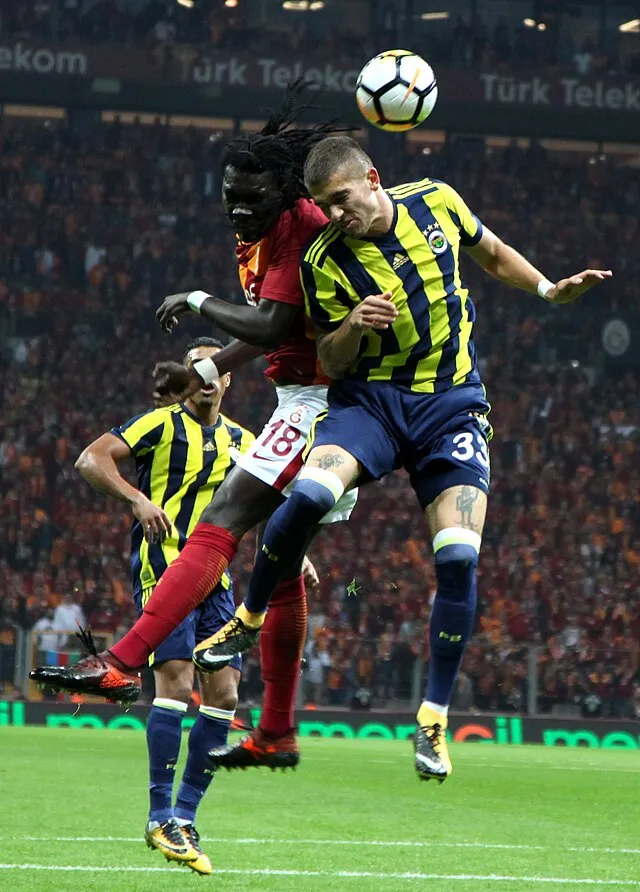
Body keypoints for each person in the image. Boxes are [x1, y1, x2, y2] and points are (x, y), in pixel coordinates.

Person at [196, 135, 612, 783]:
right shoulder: (324, 260)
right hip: (372, 406)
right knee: (308, 495)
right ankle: (247, 618)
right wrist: (353, 326)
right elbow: (329, 361)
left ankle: (433, 719)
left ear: (372, 179)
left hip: (451, 408)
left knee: (458, 557)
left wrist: (546, 287)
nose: (336, 216)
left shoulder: (437, 202)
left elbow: (491, 252)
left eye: (342, 200)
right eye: (324, 206)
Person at [29, 88, 355, 771]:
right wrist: (209, 369)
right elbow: (275, 330)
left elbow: (273, 323)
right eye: (230, 195)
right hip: (310, 395)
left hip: (325, 400)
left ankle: (122, 661)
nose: (238, 208)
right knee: (279, 560)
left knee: (223, 519)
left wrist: (198, 300)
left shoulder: (296, 226)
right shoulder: (262, 229)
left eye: (251, 196)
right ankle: (277, 732)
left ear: (284, 190)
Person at [35, 337, 254, 873]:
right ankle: (160, 815)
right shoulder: (158, 424)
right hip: (165, 570)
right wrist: (136, 499)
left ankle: (185, 815)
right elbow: (90, 459)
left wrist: (296, 556)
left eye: (215, 368)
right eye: (196, 368)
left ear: (228, 378)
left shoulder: (243, 440)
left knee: (225, 694)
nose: (206, 377)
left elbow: (265, 501)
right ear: (185, 379)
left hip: (218, 581)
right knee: (176, 684)